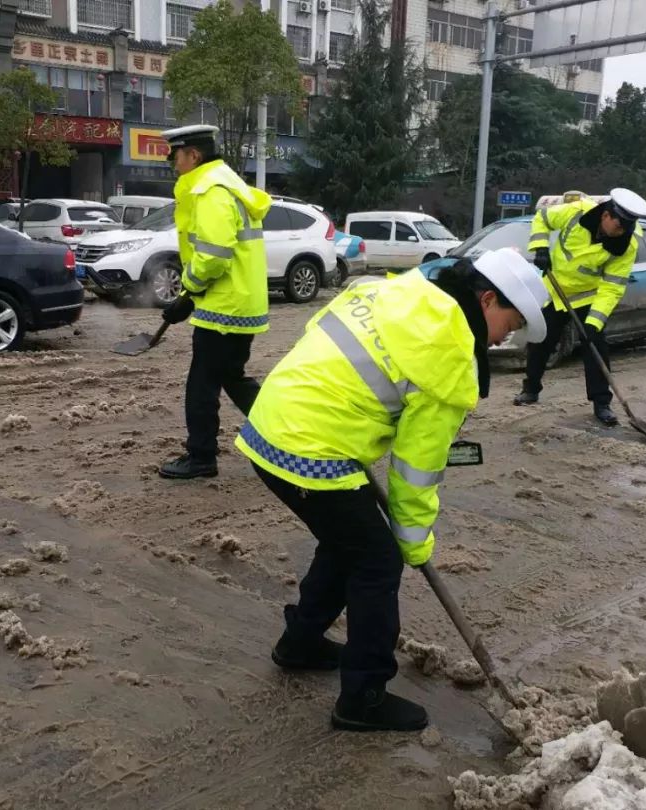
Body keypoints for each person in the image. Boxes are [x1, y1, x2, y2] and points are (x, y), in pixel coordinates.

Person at [235, 249, 550, 731]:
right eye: (512, 320)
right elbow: (416, 468)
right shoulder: (449, 354)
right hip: (312, 450)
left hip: (273, 421)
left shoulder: (406, 289)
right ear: (487, 299)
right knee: (377, 560)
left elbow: (325, 335)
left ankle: (299, 643)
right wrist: (414, 540)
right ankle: (362, 697)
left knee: (349, 543)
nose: (511, 334)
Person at [156, 125, 272, 480]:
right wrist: (191, 298)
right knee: (231, 378)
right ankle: (285, 432)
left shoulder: (210, 191)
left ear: (194, 155)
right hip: (235, 303)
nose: (172, 163)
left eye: (176, 155)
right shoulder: (229, 183)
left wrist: (186, 291)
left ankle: (202, 456)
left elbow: (213, 256)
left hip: (225, 308)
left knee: (202, 384)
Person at [513, 188, 646, 426]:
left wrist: (594, 322)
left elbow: (613, 286)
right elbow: (542, 218)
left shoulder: (626, 244)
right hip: (554, 289)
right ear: (606, 215)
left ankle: (602, 403)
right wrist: (541, 248)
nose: (620, 233)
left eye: (625, 229)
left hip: (588, 296)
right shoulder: (576, 211)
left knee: (595, 345)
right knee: (540, 341)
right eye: (618, 227)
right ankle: (531, 389)